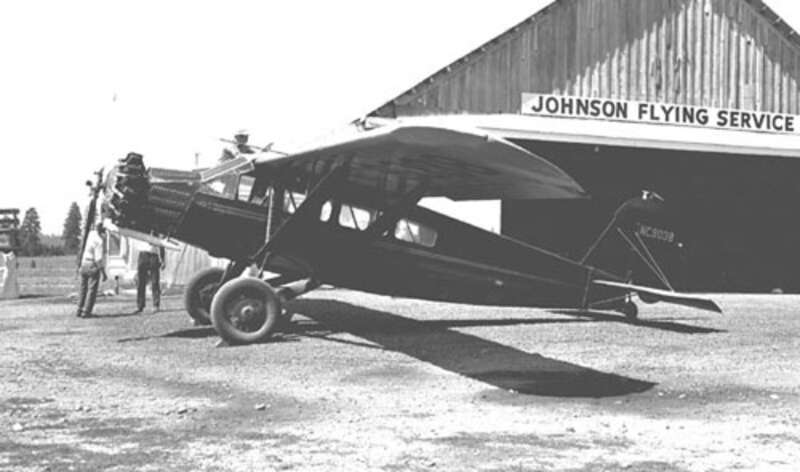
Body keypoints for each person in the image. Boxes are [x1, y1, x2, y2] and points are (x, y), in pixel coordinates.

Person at [76, 222, 107, 318]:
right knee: (92, 289)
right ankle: (86, 311)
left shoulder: (90, 234)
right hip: (92, 264)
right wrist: (103, 273)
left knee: (82, 288)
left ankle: (79, 309)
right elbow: (98, 260)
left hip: (84, 263)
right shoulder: (99, 241)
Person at [135, 243, 165, 313]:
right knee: (141, 282)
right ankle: (140, 306)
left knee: (155, 282)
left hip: (153, 255)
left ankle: (156, 305)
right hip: (143, 254)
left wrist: (163, 259)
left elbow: (161, 243)